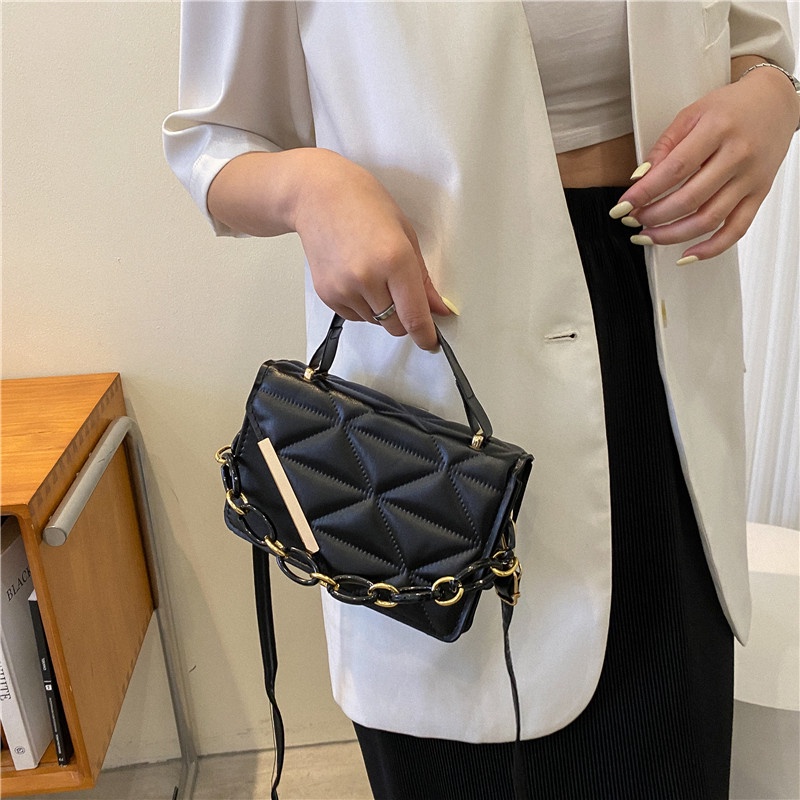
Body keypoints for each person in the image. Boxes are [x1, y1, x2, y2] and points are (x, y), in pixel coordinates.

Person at [163, 3, 799, 797]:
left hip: (663, 343)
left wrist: (772, 97)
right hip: (438, 405)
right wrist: (308, 187)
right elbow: (212, 142)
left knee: (670, 750)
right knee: (465, 761)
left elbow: (754, 43)